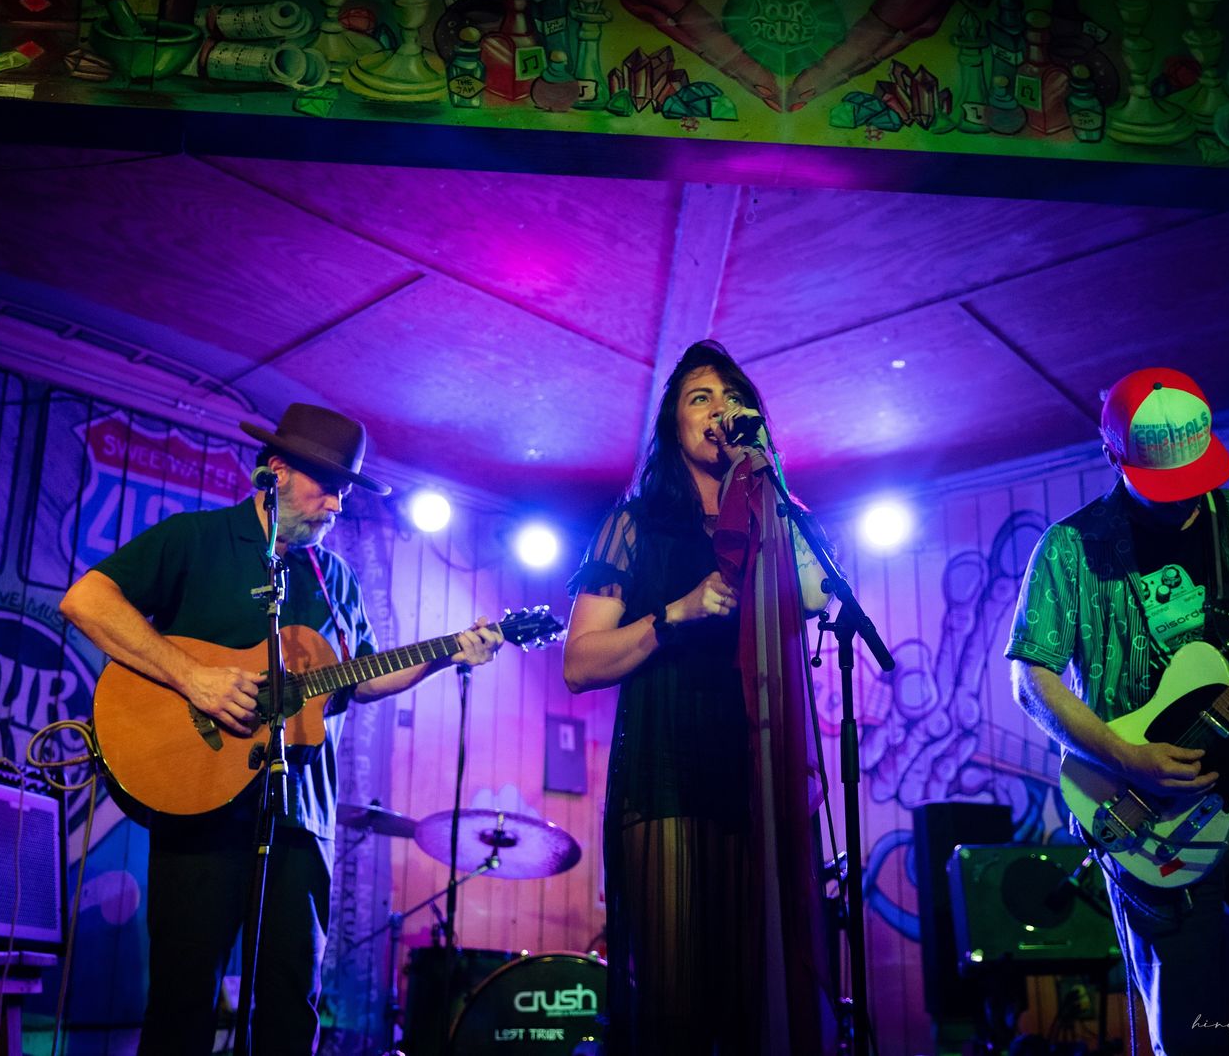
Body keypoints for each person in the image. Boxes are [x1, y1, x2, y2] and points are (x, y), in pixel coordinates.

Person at [60, 403, 503, 1056]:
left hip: (301, 814)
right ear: (275, 471)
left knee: (293, 1006)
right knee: (183, 1000)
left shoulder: (335, 577)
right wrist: (194, 677)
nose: (336, 505)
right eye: (325, 485)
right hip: (200, 805)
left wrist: (445, 653)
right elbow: (87, 600)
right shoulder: (197, 539)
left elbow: (360, 679)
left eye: (345, 492)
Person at [1006, 368, 1229, 1054]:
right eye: (1162, 480)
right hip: (1153, 819)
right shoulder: (1070, 548)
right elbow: (1031, 679)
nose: (1182, 496)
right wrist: (1127, 758)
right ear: (1111, 454)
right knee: (1190, 1028)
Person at [563, 341, 835, 1054]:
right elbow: (579, 663)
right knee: (677, 1006)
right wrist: (672, 614)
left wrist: (768, 475)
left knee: (753, 1007)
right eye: (700, 398)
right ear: (673, 426)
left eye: (731, 398)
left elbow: (817, 596)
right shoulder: (634, 526)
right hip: (665, 776)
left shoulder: (775, 517)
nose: (719, 410)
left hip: (755, 778)